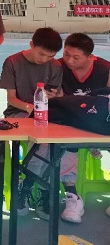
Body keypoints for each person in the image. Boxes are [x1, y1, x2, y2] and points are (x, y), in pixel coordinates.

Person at [0, 27, 63, 221]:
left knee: (53, 145)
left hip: (47, 115)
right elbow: (11, 99)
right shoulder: (12, 62)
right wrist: (31, 108)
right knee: (41, 142)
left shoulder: (56, 66)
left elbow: (57, 96)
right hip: (18, 113)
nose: (44, 59)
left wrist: (52, 97)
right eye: (41, 54)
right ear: (31, 44)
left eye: (50, 56)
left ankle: (29, 186)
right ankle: (36, 188)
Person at [56, 33, 110, 223]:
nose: (69, 60)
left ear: (90, 57)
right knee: (65, 146)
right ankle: (72, 196)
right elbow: (55, 101)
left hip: (99, 124)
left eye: (76, 57)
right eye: (66, 54)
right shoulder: (57, 67)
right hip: (70, 122)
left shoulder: (105, 70)